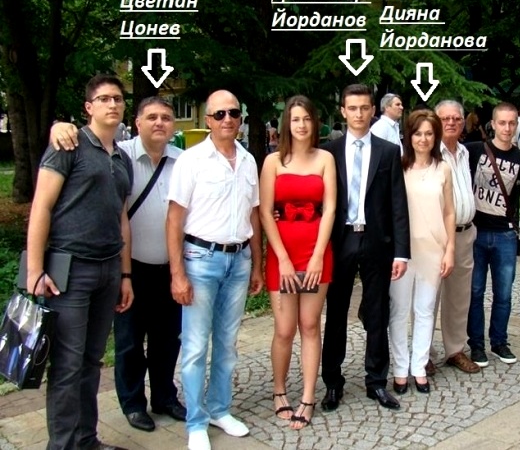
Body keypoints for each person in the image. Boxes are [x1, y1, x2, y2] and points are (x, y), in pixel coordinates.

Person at [49, 97, 188, 432]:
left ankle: (165, 396)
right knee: (128, 342)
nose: (159, 123)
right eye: (151, 117)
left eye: (166, 117)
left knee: (168, 339)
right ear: (137, 122)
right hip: (129, 268)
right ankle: (133, 403)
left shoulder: (184, 161)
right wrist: (58, 127)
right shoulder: (119, 155)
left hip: (170, 267)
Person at [27, 74, 134, 450]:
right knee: (67, 365)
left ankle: (86, 440)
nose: (112, 104)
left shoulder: (121, 158)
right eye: (104, 98)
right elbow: (41, 206)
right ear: (89, 107)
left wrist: (125, 274)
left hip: (108, 269)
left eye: (117, 98)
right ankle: (63, 445)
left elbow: (122, 218)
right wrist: (35, 270)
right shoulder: (68, 145)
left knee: (91, 361)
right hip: (69, 270)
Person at [166, 90, 264, 450]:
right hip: (200, 260)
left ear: (241, 118)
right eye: (219, 114)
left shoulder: (249, 160)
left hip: (238, 260)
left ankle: (219, 409)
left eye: (233, 113)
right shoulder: (191, 161)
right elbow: (174, 220)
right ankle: (196, 422)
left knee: (227, 343)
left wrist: (257, 263)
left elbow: (254, 214)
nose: (227, 119)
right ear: (208, 120)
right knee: (195, 346)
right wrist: (177, 273)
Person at [320, 83, 410, 412]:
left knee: (377, 312)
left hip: (376, 240)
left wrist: (401, 251)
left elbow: (397, 204)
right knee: (336, 312)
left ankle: (376, 381)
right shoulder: (328, 152)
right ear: (343, 111)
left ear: (373, 110)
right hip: (340, 239)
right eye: (352, 108)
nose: (359, 114)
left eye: (364, 108)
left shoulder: (388, 151)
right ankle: (333, 382)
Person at [259, 95, 336, 429]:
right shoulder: (273, 161)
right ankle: (279, 392)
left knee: (310, 325)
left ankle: (307, 397)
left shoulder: (325, 159)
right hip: (283, 255)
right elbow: (265, 212)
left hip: (317, 252)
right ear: (286, 124)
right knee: (284, 328)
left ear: (314, 122)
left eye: (306, 118)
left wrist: (318, 256)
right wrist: (283, 259)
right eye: (295, 119)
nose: (301, 125)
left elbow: (330, 209)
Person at [388, 110, 455, 395]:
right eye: (418, 133)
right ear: (409, 136)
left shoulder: (443, 169)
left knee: (425, 310)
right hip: (402, 252)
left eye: (429, 133)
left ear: (435, 136)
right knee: (399, 311)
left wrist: (450, 249)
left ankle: (419, 367)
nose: (423, 139)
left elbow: (449, 212)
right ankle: (400, 368)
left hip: (433, 249)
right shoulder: (397, 166)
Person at [466, 103, 520, 367]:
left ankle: (499, 341)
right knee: (475, 291)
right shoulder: (474, 151)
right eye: (502, 122)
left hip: (505, 233)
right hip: (476, 232)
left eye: (512, 123)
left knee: (503, 293)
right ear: (492, 124)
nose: (507, 128)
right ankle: (476, 344)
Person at [426, 100, 479, 376]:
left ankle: (455, 349)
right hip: (436, 235)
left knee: (459, 297)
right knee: (428, 296)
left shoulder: (464, 152)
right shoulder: (428, 152)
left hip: (465, 233)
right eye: (445, 118)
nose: (451, 123)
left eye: (456, 118)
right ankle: (423, 353)